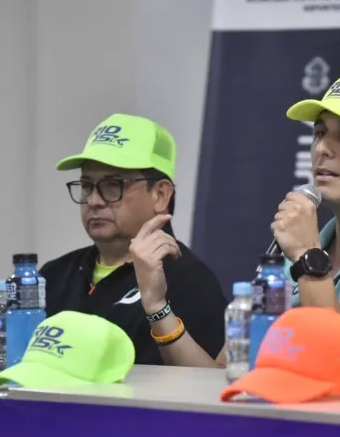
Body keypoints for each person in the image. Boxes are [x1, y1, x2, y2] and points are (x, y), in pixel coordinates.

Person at [141, 68, 340, 368]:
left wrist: (307, 258)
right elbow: (225, 373)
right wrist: (159, 307)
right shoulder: (291, 257)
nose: (322, 148)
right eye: (320, 132)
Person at [39, 113, 227, 365]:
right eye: (86, 186)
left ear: (160, 194)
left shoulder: (189, 281)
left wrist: (158, 308)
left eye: (112, 185)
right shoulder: (54, 274)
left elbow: (203, 389)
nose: (94, 200)